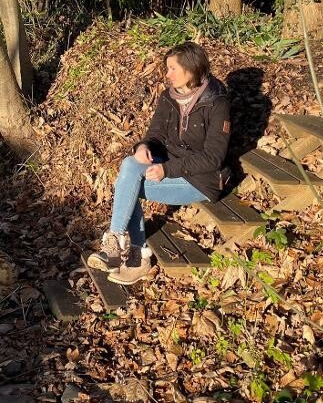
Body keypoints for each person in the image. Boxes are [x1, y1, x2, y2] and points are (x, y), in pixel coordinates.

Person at [87, 41, 232, 285]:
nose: (167, 75)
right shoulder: (169, 97)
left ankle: (137, 255)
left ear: (191, 69)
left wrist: (167, 169)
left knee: (127, 187)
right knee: (130, 167)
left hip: (201, 179)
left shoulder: (217, 102)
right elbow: (155, 135)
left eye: (173, 68)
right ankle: (118, 243)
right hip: (170, 163)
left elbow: (213, 157)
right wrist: (143, 148)